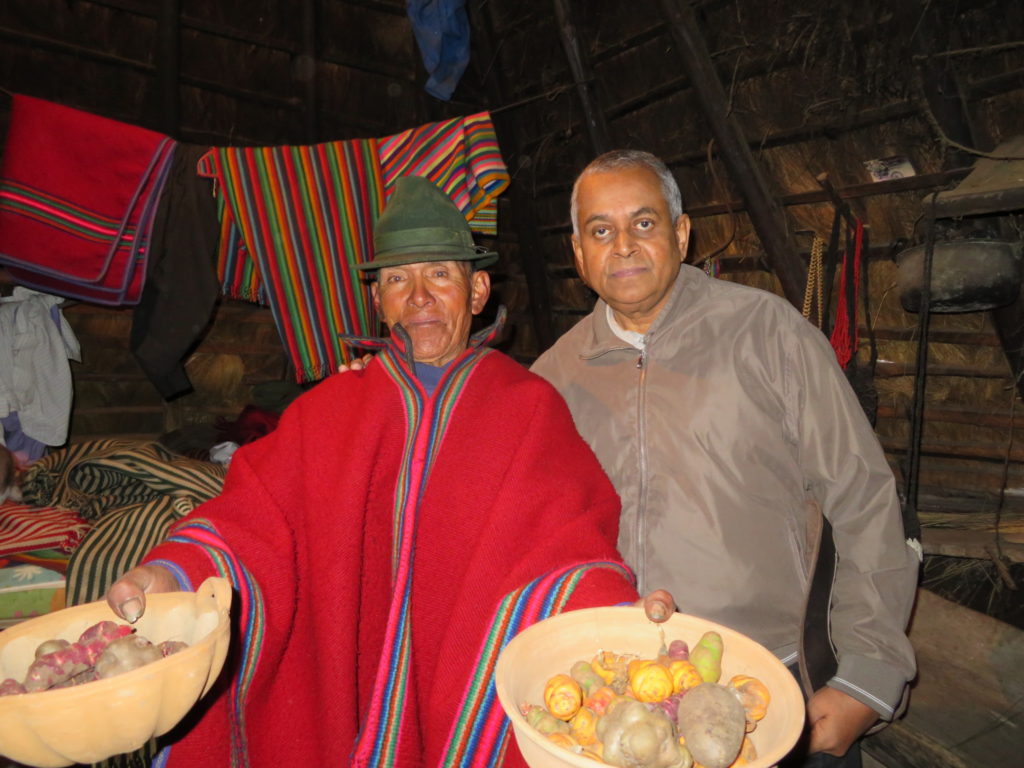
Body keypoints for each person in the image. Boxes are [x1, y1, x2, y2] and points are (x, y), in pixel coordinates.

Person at [106, 175, 667, 768]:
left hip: (465, 696)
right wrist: (173, 569)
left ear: (477, 291)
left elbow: (569, 548)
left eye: (440, 275)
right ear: (377, 299)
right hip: (338, 708)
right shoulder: (325, 411)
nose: (419, 297)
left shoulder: (529, 407)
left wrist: (615, 625)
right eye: (398, 279)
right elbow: (252, 518)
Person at [530, 150, 920, 766]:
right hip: (618, 700)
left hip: (774, 683)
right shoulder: (550, 381)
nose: (624, 246)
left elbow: (863, 496)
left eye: (644, 223)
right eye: (601, 231)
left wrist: (869, 675)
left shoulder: (768, 334)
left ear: (682, 234)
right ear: (578, 254)